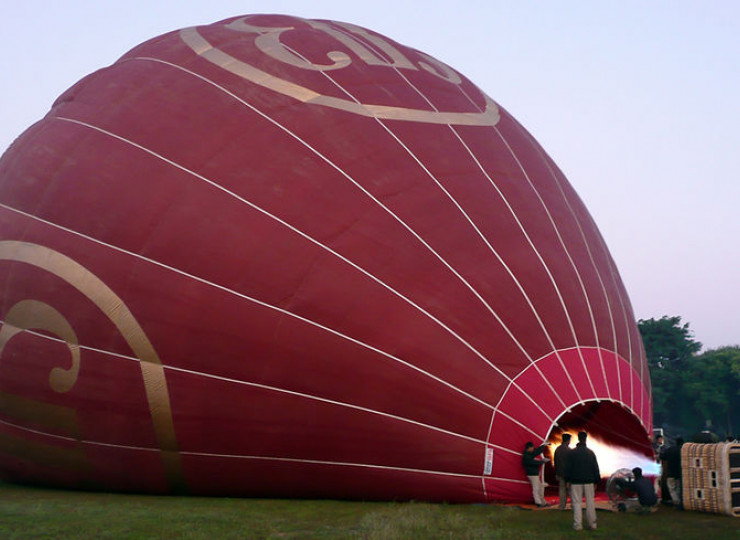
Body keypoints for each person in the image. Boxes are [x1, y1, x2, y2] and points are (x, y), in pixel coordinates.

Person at [565, 431, 600, 531]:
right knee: (590, 503)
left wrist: (568, 480)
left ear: (578, 439)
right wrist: (596, 481)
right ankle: (592, 524)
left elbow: (568, 468)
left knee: (577, 503)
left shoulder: (572, 453)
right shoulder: (590, 453)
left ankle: (578, 525)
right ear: (585, 439)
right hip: (589, 481)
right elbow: (595, 468)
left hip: (575, 482)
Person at [522, 441, 550, 507]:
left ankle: (543, 502)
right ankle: (538, 503)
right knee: (536, 488)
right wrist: (542, 461)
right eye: (532, 448)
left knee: (539, 488)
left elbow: (536, 452)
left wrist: (543, 446)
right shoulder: (526, 456)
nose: (533, 449)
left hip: (534, 474)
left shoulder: (529, 454)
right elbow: (533, 462)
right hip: (532, 475)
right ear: (528, 448)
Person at [660, 437, 684, 508]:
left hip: (671, 472)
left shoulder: (670, 449)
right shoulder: (684, 450)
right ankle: (680, 501)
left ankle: (676, 502)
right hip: (680, 473)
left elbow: (662, 457)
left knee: (671, 488)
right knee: (679, 488)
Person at [554, 433, 572, 510]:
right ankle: (573, 506)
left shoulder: (557, 449)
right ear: (568, 440)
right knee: (571, 491)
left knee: (562, 491)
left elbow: (555, 462)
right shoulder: (570, 451)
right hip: (569, 474)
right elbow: (572, 464)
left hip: (560, 473)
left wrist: (557, 473)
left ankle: (561, 506)